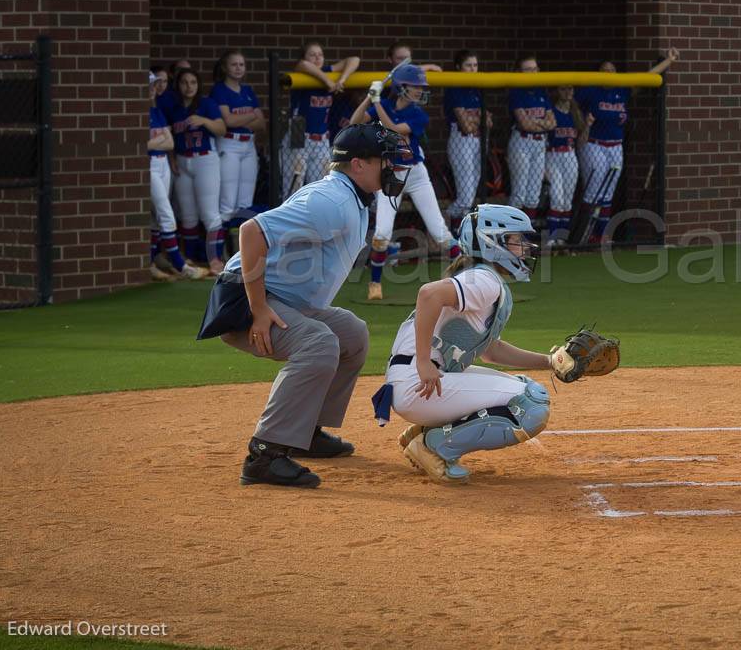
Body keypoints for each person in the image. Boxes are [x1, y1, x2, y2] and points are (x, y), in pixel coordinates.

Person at [198, 124, 410, 488]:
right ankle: (265, 454)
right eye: (384, 161)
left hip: (281, 298)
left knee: (351, 334)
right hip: (244, 301)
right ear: (358, 165)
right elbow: (251, 232)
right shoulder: (332, 201)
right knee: (319, 343)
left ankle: (305, 433)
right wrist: (260, 310)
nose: (392, 169)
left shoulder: (351, 195)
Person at [369, 204, 551, 485]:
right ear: (494, 243)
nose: (525, 247)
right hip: (420, 383)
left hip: (417, 382)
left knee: (525, 386)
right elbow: (428, 294)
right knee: (531, 404)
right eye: (517, 239)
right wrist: (423, 362)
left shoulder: (482, 278)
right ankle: (433, 446)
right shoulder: (485, 279)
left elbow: (491, 350)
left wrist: (550, 361)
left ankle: (421, 435)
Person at [350, 64, 459, 301]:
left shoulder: (418, 114)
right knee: (382, 233)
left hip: (416, 174)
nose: (420, 90)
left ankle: (470, 277)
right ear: (402, 88)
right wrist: (370, 99)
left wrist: (377, 103)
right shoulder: (385, 105)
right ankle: (375, 285)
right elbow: (354, 123)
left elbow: (395, 130)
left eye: (421, 87)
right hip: (391, 175)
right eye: (416, 86)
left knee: (439, 232)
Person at [575, 48, 680, 241]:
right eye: (604, 70)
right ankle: (583, 234)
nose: (609, 74)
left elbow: (646, 77)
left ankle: (601, 236)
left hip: (615, 146)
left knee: (607, 193)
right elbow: (571, 107)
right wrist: (583, 124)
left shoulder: (621, 90)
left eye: (612, 70)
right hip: (593, 145)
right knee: (593, 192)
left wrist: (669, 61)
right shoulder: (591, 91)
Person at [167, 68, 228, 273]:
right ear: (178, 85)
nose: (189, 87)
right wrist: (172, 157)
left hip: (205, 160)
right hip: (183, 161)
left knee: (209, 213)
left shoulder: (206, 104)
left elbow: (222, 129)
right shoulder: (173, 107)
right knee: (188, 215)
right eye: (184, 82)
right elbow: (170, 137)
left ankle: (215, 260)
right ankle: (192, 258)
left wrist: (204, 121)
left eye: (193, 82)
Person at [147, 71, 203, 281]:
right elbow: (141, 146)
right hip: (149, 165)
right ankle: (181, 265)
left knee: (154, 218)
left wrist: (154, 143)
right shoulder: (138, 112)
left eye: (155, 86)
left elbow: (169, 143)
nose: (153, 90)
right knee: (165, 213)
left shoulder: (157, 111)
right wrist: (156, 142)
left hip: (162, 163)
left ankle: (151, 262)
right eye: (150, 86)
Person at [287, 41, 360, 198]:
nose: (317, 57)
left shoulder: (329, 71)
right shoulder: (302, 73)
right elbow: (303, 65)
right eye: (312, 54)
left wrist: (342, 80)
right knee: (295, 184)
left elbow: (354, 60)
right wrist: (327, 81)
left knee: (322, 187)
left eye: (320, 54)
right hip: (299, 134)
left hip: (321, 137)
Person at [211, 50, 265, 225]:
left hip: (249, 146)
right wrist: (251, 115)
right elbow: (228, 121)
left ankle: (240, 246)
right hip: (229, 143)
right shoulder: (219, 90)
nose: (238, 68)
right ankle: (222, 246)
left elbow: (262, 123)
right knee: (227, 200)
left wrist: (240, 120)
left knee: (245, 202)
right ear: (225, 68)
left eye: (241, 64)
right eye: (234, 64)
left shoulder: (247, 90)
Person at [506, 53, 555, 221]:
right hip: (522, 142)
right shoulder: (516, 92)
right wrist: (541, 123)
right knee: (519, 192)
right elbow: (524, 124)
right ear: (520, 72)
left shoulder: (542, 92)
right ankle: (510, 234)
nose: (532, 73)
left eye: (534, 69)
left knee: (534, 194)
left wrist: (534, 121)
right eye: (527, 70)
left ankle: (524, 236)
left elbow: (552, 123)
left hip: (540, 144)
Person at [442, 49, 486, 232]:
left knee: (471, 193)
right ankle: (443, 226)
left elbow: (488, 121)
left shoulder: (477, 88)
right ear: (459, 67)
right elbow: (466, 125)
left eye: (475, 65)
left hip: (477, 142)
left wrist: (476, 120)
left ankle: (458, 234)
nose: (472, 69)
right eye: (468, 65)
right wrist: (479, 120)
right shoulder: (454, 87)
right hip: (461, 141)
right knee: (466, 196)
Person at [544, 84, 585, 245]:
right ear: (557, 91)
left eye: (570, 89)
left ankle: (561, 238)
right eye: (563, 88)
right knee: (557, 197)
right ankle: (551, 238)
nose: (568, 92)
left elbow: (580, 141)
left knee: (567, 200)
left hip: (570, 154)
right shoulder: (552, 112)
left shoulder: (575, 113)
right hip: (552, 154)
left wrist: (587, 125)